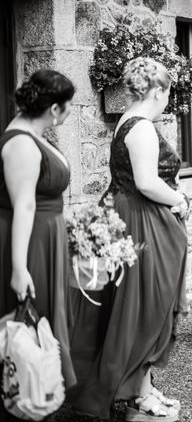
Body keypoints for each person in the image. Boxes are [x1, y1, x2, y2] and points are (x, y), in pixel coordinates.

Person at [70, 57, 188, 421]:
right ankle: (135, 390)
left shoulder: (128, 121)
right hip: (139, 221)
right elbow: (147, 183)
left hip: (129, 214)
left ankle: (142, 389)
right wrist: (180, 199)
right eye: (168, 93)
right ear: (157, 90)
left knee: (138, 307)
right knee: (145, 309)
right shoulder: (142, 128)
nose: (169, 101)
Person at [0, 69, 77, 420]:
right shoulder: (19, 141)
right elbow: (25, 205)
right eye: (68, 106)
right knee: (31, 320)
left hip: (47, 237)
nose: (69, 112)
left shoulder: (35, 133)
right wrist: (19, 267)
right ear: (55, 109)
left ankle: (42, 395)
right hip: (29, 243)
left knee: (43, 321)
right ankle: (26, 399)